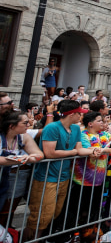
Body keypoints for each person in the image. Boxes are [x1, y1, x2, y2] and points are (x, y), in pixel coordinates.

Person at [23, 100, 90, 242]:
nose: (81, 116)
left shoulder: (76, 129)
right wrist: (73, 152)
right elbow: (49, 153)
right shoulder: (52, 128)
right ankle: (29, 240)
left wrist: (97, 150)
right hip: (46, 177)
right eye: (80, 113)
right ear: (72, 114)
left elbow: (79, 149)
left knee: (54, 212)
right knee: (41, 216)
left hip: (64, 177)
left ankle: (38, 239)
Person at [0, 111, 44, 219]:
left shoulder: (24, 136)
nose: (28, 125)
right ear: (12, 125)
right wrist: (21, 160)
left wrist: (29, 158)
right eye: (25, 123)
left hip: (16, 178)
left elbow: (39, 155)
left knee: (8, 210)